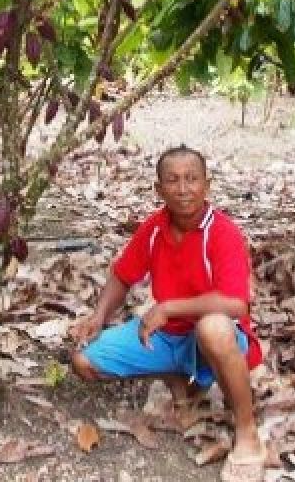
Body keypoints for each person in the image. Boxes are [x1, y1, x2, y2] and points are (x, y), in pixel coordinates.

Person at [69, 145, 267, 482]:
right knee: (84, 362)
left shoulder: (222, 232)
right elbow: (123, 274)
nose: (183, 189)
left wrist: (170, 307)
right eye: (172, 181)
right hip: (166, 334)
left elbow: (237, 305)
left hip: (214, 337)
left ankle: (248, 434)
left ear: (207, 185)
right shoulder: (155, 228)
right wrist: (99, 316)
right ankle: (176, 379)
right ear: (159, 189)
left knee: (213, 328)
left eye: (192, 179)